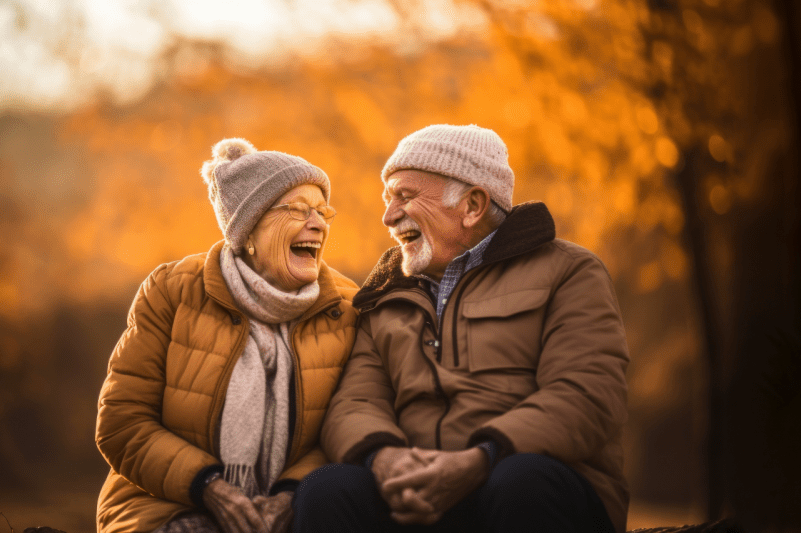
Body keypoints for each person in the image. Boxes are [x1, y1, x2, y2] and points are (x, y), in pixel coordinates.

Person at [294, 124, 630, 533]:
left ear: (472, 205)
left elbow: (587, 393)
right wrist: (386, 459)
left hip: (523, 481)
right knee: (326, 488)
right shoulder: (384, 295)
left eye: (405, 196)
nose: (388, 215)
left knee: (522, 481)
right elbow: (355, 403)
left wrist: (478, 459)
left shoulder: (570, 270)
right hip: (415, 492)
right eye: (388, 199)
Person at [96, 138, 359, 533]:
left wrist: (292, 495)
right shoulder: (172, 289)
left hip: (297, 512)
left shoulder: (347, 308)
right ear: (248, 231)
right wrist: (210, 488)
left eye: (323, 211)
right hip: (168, 505)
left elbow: (348, 425)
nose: (319, 223)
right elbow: (122, 423)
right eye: (298, 210)